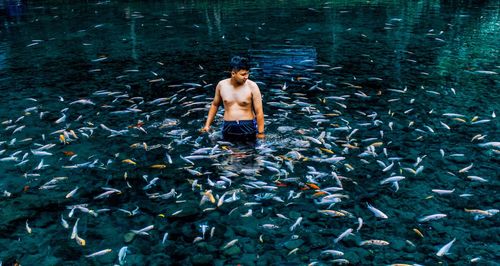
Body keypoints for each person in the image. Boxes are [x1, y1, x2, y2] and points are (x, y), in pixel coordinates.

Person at [202, 56, 264, 142]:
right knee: (229, 153)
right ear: (233, 73)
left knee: (248, 154)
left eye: (247, 73)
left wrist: (261, 133)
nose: (246, 77)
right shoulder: (222, 85)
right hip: (228, 126)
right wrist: (207, 125)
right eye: (243, 74)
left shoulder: (253, 86)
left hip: (247, 126)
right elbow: (215, 105)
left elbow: (259, 112)